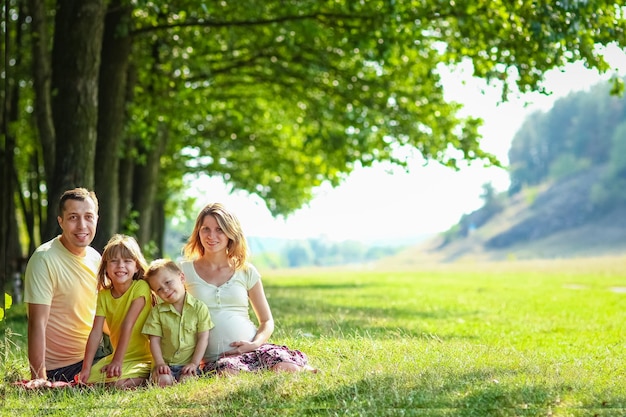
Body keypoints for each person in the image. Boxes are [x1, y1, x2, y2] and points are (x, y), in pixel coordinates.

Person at [180, 202, 315, 374]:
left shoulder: (246, 271)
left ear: (231, 233)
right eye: (205, 228)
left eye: (219, 229)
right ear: (198, 232)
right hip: (218, 359)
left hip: (253, 349)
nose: (211, 235)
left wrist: (255, 344)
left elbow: (266, 321)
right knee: (229, 373)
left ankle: (292, 367)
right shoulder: (183, 272)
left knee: (287, 368)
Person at [23, 187, 106, 388]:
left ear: (96, 218)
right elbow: (37, 323)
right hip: (63, 366)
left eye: (88, 217)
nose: (82, 225)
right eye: (73, 217)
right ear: (60, 221)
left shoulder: (95, 257)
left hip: (95, 355)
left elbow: (105, 314)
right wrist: (39, 377)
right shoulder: (44, 259)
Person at [78, 234, 153, 388]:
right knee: (88, 383)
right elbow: (96, 332)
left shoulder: (140, 287)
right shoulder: (104, 295)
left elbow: (128, 324)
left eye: (127, 261)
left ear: (137, 266)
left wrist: (117, 362)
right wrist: (85, 368)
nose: (120, 266)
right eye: (114, 261)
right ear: (105, 267)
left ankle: (149, 378)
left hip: (143, 358)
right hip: (118, 357)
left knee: (119, 385)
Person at [141, 259, 213, 386]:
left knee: (187, 382)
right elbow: (154, 341)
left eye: (168, 282)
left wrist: (194, 364)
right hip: (165, 366)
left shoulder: (199, 308)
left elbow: (203, 338)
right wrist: (160, 363)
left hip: (188, 365)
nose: (166, 290)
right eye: (159, 289)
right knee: (164, 381)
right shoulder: (157, 312)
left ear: (182, 277)